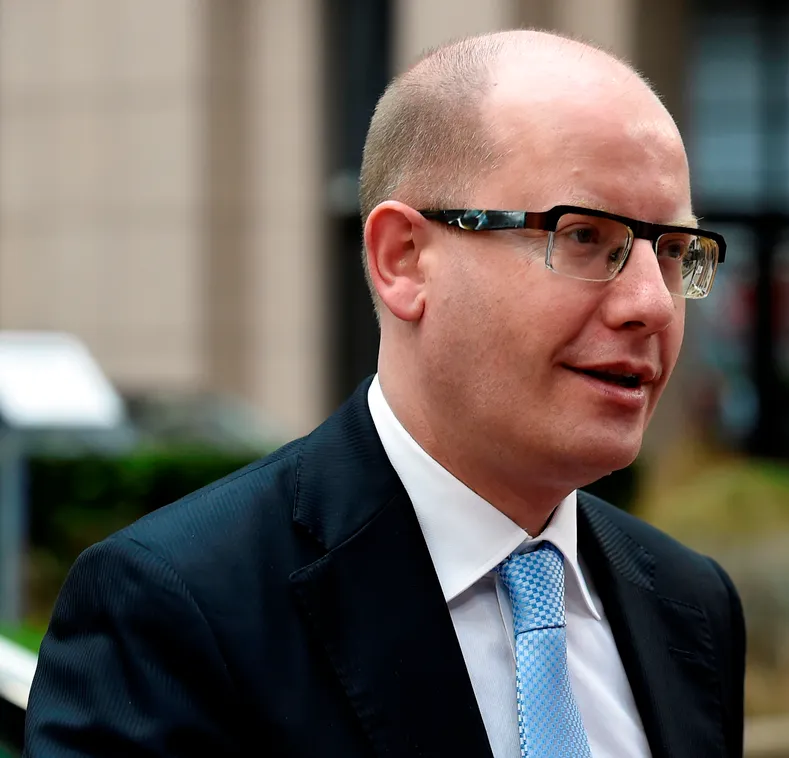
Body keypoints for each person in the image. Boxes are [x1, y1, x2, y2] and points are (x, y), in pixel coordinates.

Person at [24, 29, 744, 758]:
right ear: (403, 259)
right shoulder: (176, 607)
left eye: (675, 251)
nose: (651, 304)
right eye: (586, 237)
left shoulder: (691, 606)